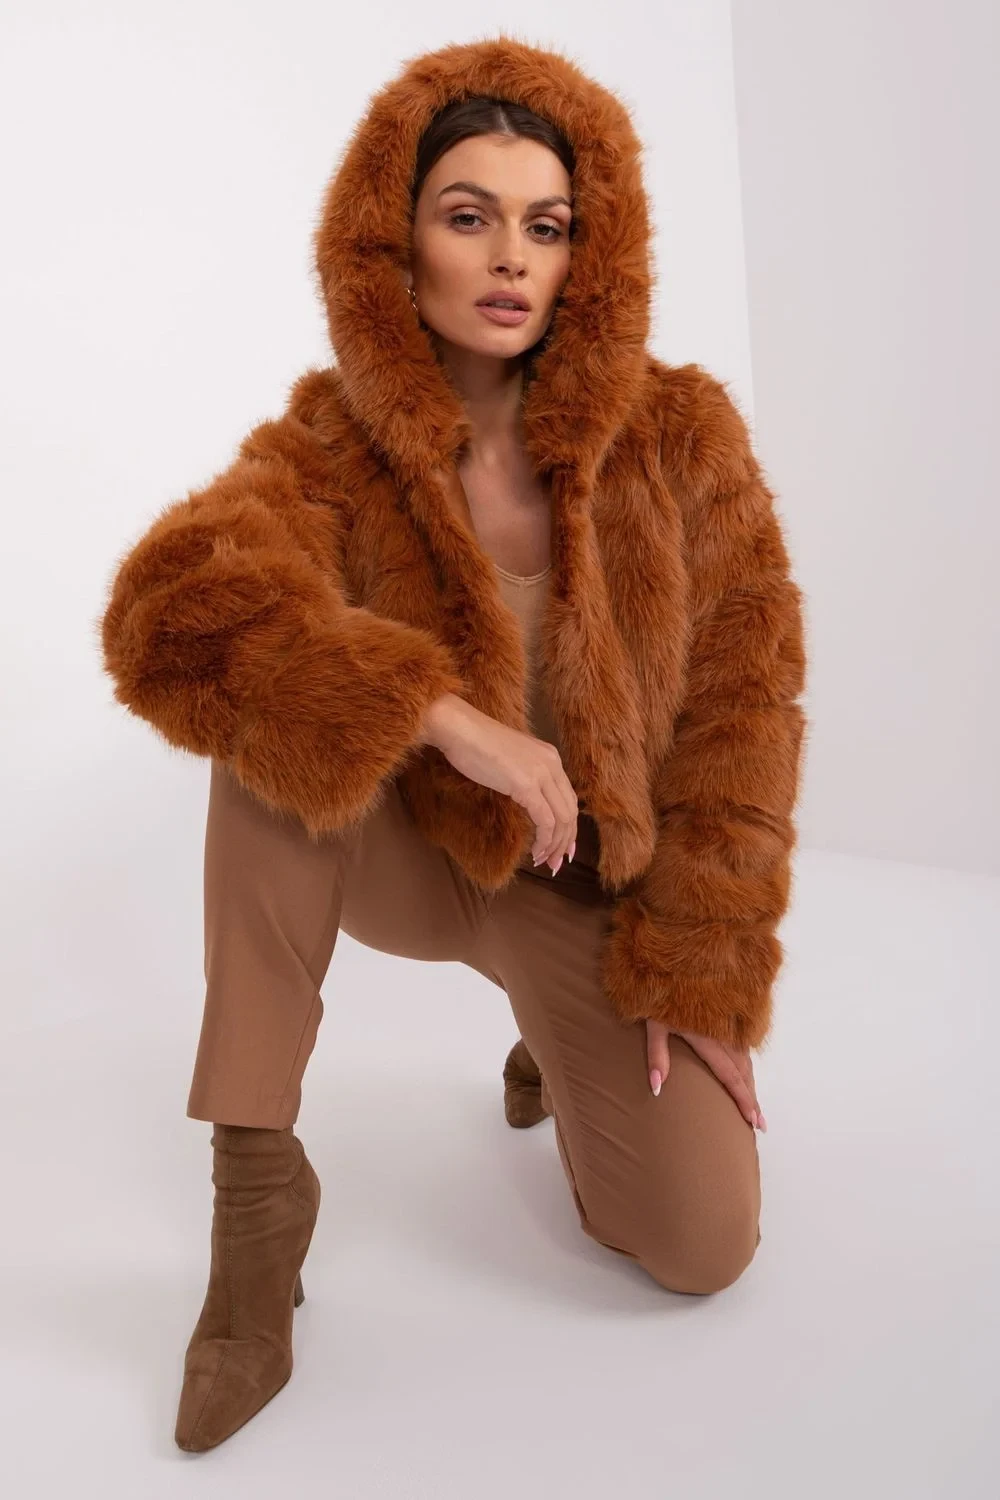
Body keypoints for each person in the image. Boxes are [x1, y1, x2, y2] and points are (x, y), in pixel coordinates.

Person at [98, 36, 807, 1453]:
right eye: (467, 215)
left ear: (589, 253)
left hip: (582, 885)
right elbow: (169, 608)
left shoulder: (682, 436)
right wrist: (442, 715)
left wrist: (704, 969)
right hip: (412, 853)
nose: (508, 258)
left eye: (546, 225)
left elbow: (745, 717)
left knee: (702, 1247)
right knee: (270, 722)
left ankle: (550, 1042)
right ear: (395, 241)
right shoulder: (331, 444)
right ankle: (256, 1209)